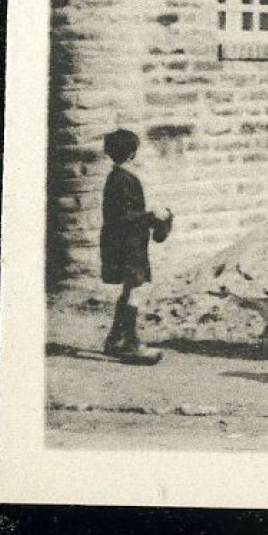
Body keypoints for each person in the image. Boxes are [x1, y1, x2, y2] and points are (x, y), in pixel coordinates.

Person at [98, 129, 172, 366]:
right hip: (128, 245)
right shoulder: (123, 180)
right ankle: (130, 343)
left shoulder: (117, 178)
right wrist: (153, 215)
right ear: (132, 154)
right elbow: (123, 217)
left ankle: (115, 339)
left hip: (124, 243)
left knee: (130, 288)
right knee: (135, 290)